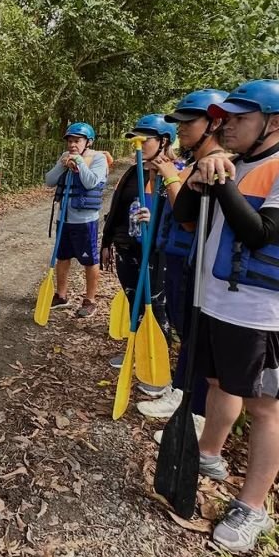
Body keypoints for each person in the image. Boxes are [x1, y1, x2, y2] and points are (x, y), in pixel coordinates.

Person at [173, 79, 279, 553]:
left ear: (274, 123)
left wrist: (220, 178)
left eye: (238, 119)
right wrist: (198, 174)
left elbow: (260, 233)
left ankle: (254, 507)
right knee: (217, 383)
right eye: (223, 118)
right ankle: (208, 454)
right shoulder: (233, 163)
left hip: (261, 314)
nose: (225, 127)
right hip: (215, 303)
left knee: (264, 406)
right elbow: (186, 212)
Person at [138, 90, 228, 423]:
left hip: (197, 263)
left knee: (195, 335)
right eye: (180, 122)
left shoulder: (216, 164)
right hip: (176, 255)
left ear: (214, 122)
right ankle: (181, 393)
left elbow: (189, 219)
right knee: (186, 331)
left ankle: (196, 412)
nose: (182, 129)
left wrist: (170, 176)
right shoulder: (192, 163)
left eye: (190, 122)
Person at [101, 114, 176, 376]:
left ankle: (156, 359)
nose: (139, 144)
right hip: (127, 248)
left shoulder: (174, 173)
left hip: (156, 253)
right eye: (136, 139)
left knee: (155, 306)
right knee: (134, 300)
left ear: (164, 141)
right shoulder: (134, 171)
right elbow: (118, 207)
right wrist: (108, 241)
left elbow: (181, 216)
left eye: (146, 140)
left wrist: (155, 217)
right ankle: (134, 349)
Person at [44, 122, 107, 317]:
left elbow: (90, 182)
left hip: (86, 220)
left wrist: (79, 162)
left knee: (89, 260)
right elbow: (49, 180)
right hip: (65, 218)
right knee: (62, 257)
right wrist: (62, 165)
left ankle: (90, 300)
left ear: (88, 142)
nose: (72, 145)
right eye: (70, 141)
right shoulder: (64, 158)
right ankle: (61, 295)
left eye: (77, 141)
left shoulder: (98, 159)